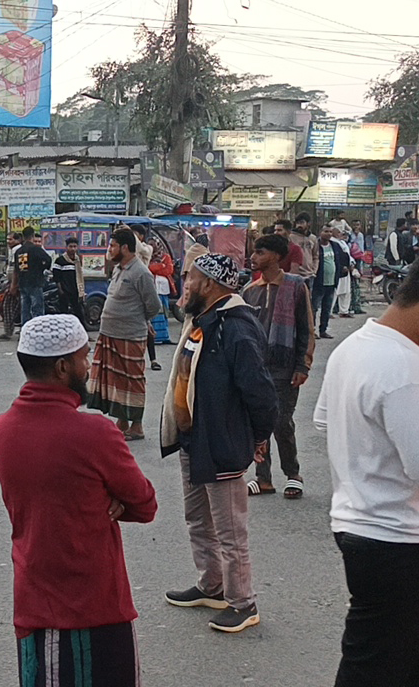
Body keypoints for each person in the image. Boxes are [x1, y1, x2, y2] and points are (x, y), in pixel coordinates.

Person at [0, 314, 157, 685]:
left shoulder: (2, 429)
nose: (90, 365)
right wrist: (111, 499)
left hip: (34, 594)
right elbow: (145, 503)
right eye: (85, 357)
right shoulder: (96, 433)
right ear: (63, 367)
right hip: (93, 602)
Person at [314, 250, 419, 685]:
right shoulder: (404, 367)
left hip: (364, 521)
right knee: (372, 661)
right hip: (397, 536)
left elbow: (323, 419)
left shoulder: (355, 346)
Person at [161, 254, 278, 634]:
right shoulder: (202, 321)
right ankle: (211, 585)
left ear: (210, 284)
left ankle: (243, 603)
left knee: (230, 531)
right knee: (198, 519)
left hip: (221, 442)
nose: (186, 286)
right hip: (194, 439)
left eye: (191, 279)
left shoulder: (236, 328)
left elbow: (260, 391)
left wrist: (258, 436)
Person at [241, 235, 314, 499]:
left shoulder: (296, 286)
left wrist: (303, 365)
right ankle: (263, 479)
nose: (253, 257)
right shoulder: (250, 291)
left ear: (276, 256)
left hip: (285, 368)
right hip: (256, 369)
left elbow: (306, 329)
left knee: (282, 423)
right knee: (257, 424)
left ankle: (293, 474)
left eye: (260, 252)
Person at [87, 229, 161, 441]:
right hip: (109, 333)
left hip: (130, 335)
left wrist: (142, 320)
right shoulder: (119, 269)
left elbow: (153, 305)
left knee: (133, 381)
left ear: (125, 248)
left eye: (112, 246)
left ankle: (136, 426)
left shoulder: (141, 273)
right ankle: (122, 421)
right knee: (116, 381)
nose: (109, 250)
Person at [313, 226, 350, 340]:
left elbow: (344, 257)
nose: (328, 234)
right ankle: (312, 330)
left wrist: (344, 268)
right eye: (326, 231)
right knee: (314, 308)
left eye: (330, 232)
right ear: (320, 232)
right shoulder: (316, 246)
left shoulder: (335, 246)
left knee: (327, 308)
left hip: (332, 282)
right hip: (318, 282)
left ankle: (323, 330)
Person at [13, 226, 53, 326]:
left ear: (23, 237)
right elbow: (48, 260)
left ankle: (25, 329)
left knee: (25, 309)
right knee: (37, 309)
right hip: (35, 282)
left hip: (22, 282)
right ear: (33, 236)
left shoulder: (19, 251)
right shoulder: (36, 249)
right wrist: (42, 267)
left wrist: (14, 284)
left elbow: (16, 269)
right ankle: (38, 329)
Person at [50, 236, 85, 325]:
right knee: (64, 315)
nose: (73, 249)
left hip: (75, 291)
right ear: (66, 247)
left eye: (75, 246)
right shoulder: (60, 260)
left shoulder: (77, 260)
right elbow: (57, 277)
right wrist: (61, 290)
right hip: (65, 291)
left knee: (79, 313)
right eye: (70, 246)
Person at [291, 212, 320, 280]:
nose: (299, 225)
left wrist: (314, 271)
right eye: (297, 223)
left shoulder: (313, 238)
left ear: (308, 223)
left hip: (309, 275)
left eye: (302, 223)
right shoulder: (291, 237)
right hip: (296, 274)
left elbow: (315, 256)